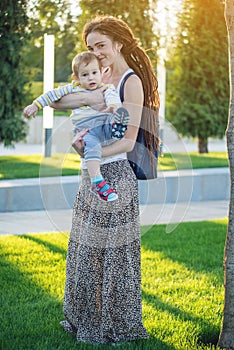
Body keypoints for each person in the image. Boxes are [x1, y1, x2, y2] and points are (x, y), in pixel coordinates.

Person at [52, 16, 160, 345]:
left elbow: (128, 142)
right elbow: (57, 101)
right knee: (85, 252)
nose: (96, 53)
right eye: (90, 48)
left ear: (118, 44)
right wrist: (87, 99)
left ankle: (114, 326)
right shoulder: (98, 77)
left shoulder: (130, 82)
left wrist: (92, 152)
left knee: (113, 257)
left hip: (115, 179)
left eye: (101, 46)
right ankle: (82, 319)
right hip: (93, 175)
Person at [23, 51, 130, 202]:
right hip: (87, 130)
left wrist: (113, 106)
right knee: (92, 148)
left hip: (104, 125)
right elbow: (52, 95)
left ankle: (117, 126)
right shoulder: (72, 89)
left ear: (101, 73)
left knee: (115, 116)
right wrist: (35, 105)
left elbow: (113, 98)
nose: (91, 77)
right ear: (77, 77)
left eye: (94, 73)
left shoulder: (106, 88)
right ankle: (97, 181)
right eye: (85, 75)